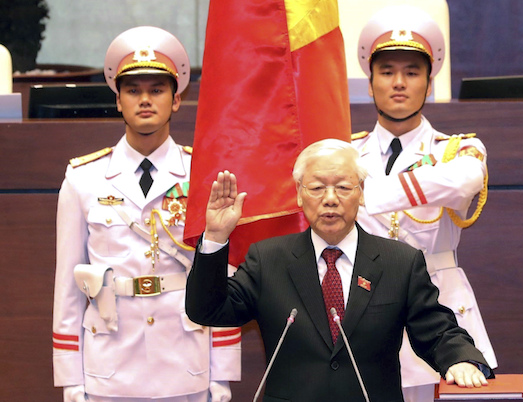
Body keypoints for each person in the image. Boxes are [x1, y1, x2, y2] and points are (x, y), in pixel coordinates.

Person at [186, 139, 493, 401]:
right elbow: (208, 311)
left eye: (343, 187)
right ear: (298, 193)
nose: (330, 199)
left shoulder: (399, 261)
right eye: (317, 187)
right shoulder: (268, 259)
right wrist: (215, 237)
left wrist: (461, 360)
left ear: (360, 192)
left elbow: (436, 330)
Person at [52, 26, 240, 402]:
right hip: (109, 363)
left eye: (156, 89)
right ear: (118, 100)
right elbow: (68, 288)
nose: (145, 100)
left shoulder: (202, 174)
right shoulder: (83, 178)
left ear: (176, 100)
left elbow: (223, 277)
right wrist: (70, 379)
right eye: (133, 90)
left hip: (186, 363)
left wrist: (223, 373)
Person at [351, 6, 497, 401]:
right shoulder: (346, 153)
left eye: (412, 72)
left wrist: (373, 192)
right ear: (370, 82)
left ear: (429, 83)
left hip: (440, 317)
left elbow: (464, 182)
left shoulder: (458, 150)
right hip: (365, 312)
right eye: (387, 72)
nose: (399, 83)